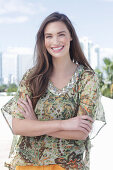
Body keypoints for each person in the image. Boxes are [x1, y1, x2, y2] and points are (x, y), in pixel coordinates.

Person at [1, 12, 106, 170]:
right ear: (43, 41)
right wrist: (64, 124)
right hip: (27, 165)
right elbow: (18, 126)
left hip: (68, 166)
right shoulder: (32, 77)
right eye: (48, 36)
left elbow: (81, 132)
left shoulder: (87, 78)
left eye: (61, 34)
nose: (55, 41)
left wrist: (35, 125)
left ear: (71, 36)